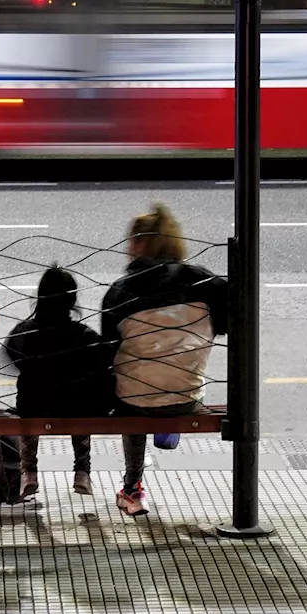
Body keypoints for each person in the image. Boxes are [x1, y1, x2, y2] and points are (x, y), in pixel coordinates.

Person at [101, 203, 227, 516]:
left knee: (134, 393)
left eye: (132, 240)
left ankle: (132, 489)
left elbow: (107, 350)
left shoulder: (120, 292)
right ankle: (167, 428)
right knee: (175, 373)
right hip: (186, 397)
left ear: (142, 244)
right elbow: (225, 327)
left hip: (135, 401)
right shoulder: (206, 284)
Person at [3, 266, 114, 499]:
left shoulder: (24, 331)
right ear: (72, 300)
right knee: (82, 400)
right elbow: (105, 359)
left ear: (39, 298)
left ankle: (29, 473)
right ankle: (82, 471)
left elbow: (9, 357)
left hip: (34, 407)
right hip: (77, 409)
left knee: (27, 407)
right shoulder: (84, 335)